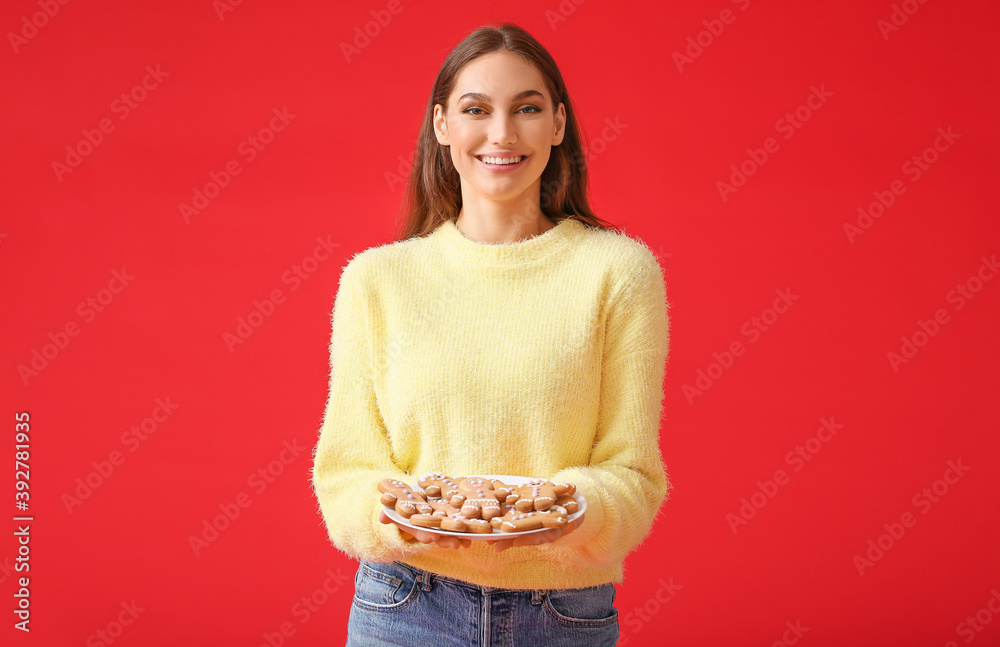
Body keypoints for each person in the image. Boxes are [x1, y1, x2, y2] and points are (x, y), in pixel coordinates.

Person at [310, 21, 671, 646]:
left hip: (562, 612)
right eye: (476, 110)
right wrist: (407, 517)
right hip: (405, 604)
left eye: (526, 109)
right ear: (442, 126)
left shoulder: (619, 271)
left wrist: (563, 508)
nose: (502, 134)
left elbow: (633, 475)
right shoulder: (377, 280)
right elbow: (344, 473)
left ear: (557, 125)